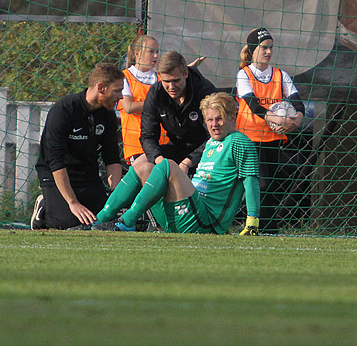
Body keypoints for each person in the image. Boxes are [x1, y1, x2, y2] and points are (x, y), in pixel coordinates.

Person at [93, 92, 260, 234]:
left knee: (168, 165)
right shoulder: (211, 142)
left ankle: (127, 221)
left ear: (232, 118)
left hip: (205, 222)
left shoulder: (238, 141)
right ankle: (98, 220)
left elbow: (250, 181)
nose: (214, 125)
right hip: (187, 212)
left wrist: (252, 222)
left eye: (219, 119)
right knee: (143, 165)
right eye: (209, 120)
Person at [90, 50, 216, 226]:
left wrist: (188, 162)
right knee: (142, 163)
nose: (171, 86)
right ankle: (101, 218)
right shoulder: (156, 93)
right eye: (166, 81)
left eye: (176, 80)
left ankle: (129, 220)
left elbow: (215, 137)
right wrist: (159, 160)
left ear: (186, 73)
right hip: (176, 148)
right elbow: (148, 136)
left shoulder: (205, 91)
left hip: (206, 152)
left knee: (161, 166)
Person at [31, 63, 124, 230]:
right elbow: (55, 161)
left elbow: (112, 159)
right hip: (55, 175)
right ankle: (45, 206)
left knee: (100, 222)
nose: (121, 96)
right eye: (117, 91)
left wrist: (115, 196)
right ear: (101, 88)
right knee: (68, 224)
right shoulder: (64, 110)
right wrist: (72, 202)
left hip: (87, 176)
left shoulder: (108, 115)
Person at [236, 27, 304, 233]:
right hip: (250, 138)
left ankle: (264, 227)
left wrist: (296, 120)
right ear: (253, 50)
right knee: (260, 184)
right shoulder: (244, 74)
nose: (268, 52)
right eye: (264, 47)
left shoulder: (280, 75)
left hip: (273, 138)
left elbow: (298, 104)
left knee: (272, 185)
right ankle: (262, 227)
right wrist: (279, 118)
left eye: (271, 48)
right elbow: (253, 105)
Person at [118, 33, 168, 167]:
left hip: (163, 144)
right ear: (137, 53)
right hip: (137, 145)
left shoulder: (160, 78)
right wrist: (155, 103)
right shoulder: (125, 77)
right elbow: (128, 107)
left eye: (157, 52)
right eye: (151, 51)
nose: (156, 56)